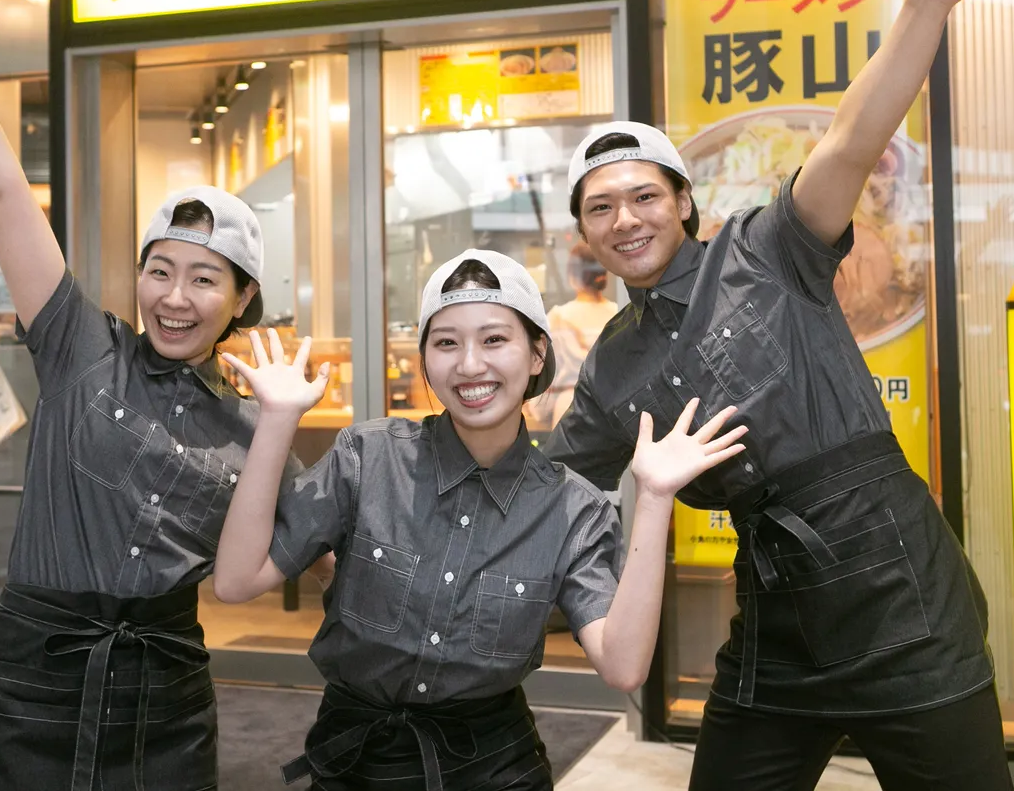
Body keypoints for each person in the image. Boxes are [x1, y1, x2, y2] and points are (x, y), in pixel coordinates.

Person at [542, 0, 1014, 790]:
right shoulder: (612, 367)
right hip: (773, 623)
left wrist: (926, 3)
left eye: (644, 195)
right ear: (585, 233)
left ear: (685, 203)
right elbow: (543, 489)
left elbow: (852, 137)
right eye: (600, 208)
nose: (625, 219)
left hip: (903, 603)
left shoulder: (769, 246)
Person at [0, 0, 312, 791]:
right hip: (29, 672)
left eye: (205, 279)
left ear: (243, 301)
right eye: (160, 269)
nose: (175, 295)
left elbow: (267, 573)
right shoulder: (81, 344)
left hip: (164, 687)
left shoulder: (254, 426)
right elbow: (7, 187)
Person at [211, 249, 745, 791]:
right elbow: (235, 581)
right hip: (355, 763)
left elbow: (622, 667)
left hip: (495, 769)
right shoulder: (368, 458)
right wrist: (276, 421)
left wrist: (653, 499)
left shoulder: (571, 507)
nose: (470, 365)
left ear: (538, 353)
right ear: (425, 361)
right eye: (446, 343)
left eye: (494, 339)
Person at [525, 242, 618, 431]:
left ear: (573, 275)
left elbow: (546, 384)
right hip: (615, 413)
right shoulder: (619, 313)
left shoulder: (559, 318)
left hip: (570, 412)